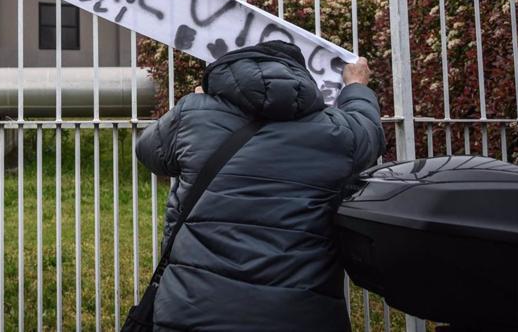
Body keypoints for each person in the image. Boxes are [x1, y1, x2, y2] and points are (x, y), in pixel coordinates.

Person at [135, 40, 384, 331]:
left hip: (193, 307)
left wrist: (195, 104)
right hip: (298, 313)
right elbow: (370, 132)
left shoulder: (195, 113)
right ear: (302, 78)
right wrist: (356, 86)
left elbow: (150, 153)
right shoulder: (337, 130)